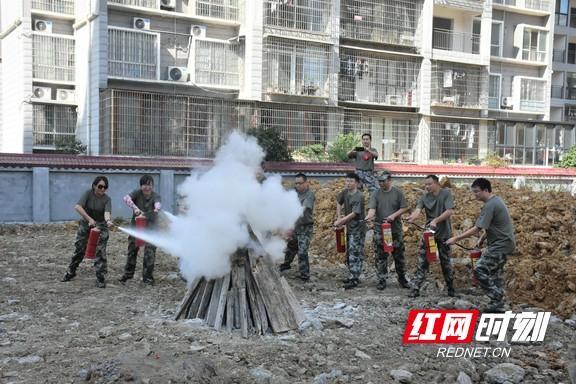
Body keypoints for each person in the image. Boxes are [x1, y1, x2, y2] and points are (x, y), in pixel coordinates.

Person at [446, 178, 515, 313]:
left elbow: (477, 228)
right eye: (474, 192)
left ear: (486, 190)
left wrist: (456, 238)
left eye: (477, 192)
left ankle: (497, 297)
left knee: (479, 270)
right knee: (494, 274)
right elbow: (492, 225)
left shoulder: (490, 205)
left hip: (500, 245)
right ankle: (497, 304)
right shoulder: (496, 201)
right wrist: (483, 238)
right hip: (504, 243)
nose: (475, 195)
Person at [407, 174, 455, 298]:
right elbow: (418, 209)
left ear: (437, 183)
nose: (427, 186)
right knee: (423, 261)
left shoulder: (446, 193)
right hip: (429, 234)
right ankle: (415, 288)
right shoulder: (424, 196)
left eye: (429, 184)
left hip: (444, 234)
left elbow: (449, 211)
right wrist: (413, 216)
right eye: (425, 184)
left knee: (445, 262)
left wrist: (436, 220)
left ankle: (451, 289)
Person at [61, 176, 114, 288]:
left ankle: (100, 277)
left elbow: (107, 212)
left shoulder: (107, 199)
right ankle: (71, 271)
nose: (103, 189)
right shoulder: (88, 194)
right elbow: (78, 207)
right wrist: (89, 219)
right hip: (86, 224)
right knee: (80, 248)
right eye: (100, 186)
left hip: (101, 226)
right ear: (94, 186)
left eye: (105, 187)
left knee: (100, 251)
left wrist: (108, 220)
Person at [365, 171, 410, 290]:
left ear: (390, 180)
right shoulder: (375, 193)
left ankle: (402, 278)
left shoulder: (397, 192)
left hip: (395, 230)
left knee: (399, 255)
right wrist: (369, 216)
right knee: (381, 256)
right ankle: (382, 279)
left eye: (383, 181)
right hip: (380, 229)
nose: (381, 183)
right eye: (379, 181)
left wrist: (394, 216)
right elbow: (372, 208)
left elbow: (404, 207)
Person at [119, 175, 161, 286]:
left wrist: (156, 209)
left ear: (152, 185)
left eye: (149, 184)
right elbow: (126, 198)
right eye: (144, 185)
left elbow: (157, 204)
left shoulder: (156, 196)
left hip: (151, 229)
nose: (147, 187)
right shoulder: (137, 193)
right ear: (141, 186)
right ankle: (128, 275)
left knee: (149, 252)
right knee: (132, 250)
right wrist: (135, 208)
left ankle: (147, 278)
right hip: (136, 227)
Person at [279, 173, 315, 281]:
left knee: (302, 251)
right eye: (296, 183)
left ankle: (304, 275)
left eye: (300, 183)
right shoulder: (292, 192)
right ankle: (286, 264)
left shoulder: (310, 194)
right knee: (291, 246)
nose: (298, 185)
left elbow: (303, 209)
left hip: (305, 226)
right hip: (294, 225)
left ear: (306, 183)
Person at [334, 172, 366, 289]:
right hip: (350, 227)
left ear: (356, 183)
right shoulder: (345, 192)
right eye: (347, 181)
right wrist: (338, 217)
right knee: (349, 252)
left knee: (355, 252)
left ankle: (355, 278)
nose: (348, 183)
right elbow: (338, 202)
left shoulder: (359, 196)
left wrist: (341, 221)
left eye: (351, 181)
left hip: (358, 227)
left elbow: (354, 213)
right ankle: (352, 275)